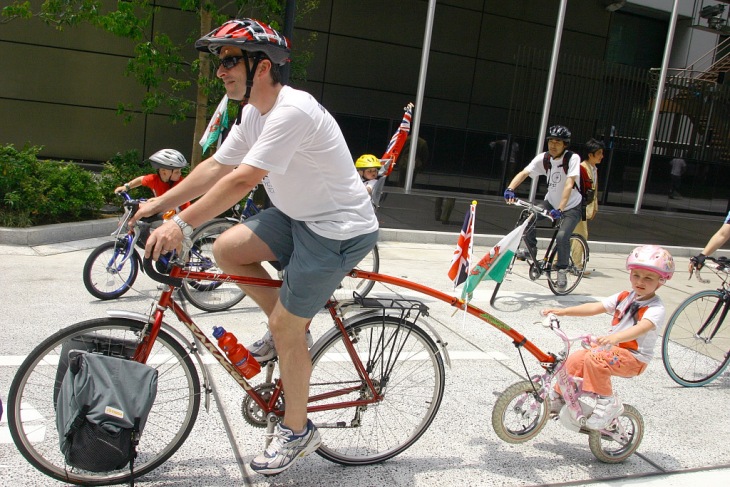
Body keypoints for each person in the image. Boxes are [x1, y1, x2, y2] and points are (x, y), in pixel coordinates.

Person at [130, 18, 379, 476]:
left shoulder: (293, 111)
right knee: (227, 249)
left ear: (261, 67)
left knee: (285, 325)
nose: (220, 71)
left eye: (228, 61)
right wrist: (158, 205)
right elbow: (219, 165)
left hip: (336, 229)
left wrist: (182, 225)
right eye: (219, 62)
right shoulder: (252, 112)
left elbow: (244, 179)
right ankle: (290, 328)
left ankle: (298, 430)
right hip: (295, 216)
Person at [541, 245, 674, 429]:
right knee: (576, 359)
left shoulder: (655, 308)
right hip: (612, 352)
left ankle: (608, 402)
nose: (640, 281)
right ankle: (560, 397)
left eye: (648, 278)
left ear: (662, 280)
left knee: (595, 358)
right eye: (636, 275)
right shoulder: (624, 297)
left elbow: (642, 327)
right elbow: (595, 307)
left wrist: (614, 338)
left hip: (634, 358)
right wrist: (563, 312)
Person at [503, 125, 583, 291]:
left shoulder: (572, 158)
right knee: (527, 218)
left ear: (565, 144)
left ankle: (562, 270)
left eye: (558, 142)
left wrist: (560, 209)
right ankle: (530, 248)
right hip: (551, 203)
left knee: (562, 237)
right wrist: (510, 188)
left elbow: (569, 185)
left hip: (571, 207)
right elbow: (525, 172)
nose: (553, 145)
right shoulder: (544, 158)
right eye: (551, 141)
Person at [114, 149, 191, 211]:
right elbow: (141, 180)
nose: (180, 174)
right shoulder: (154, 180)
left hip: (182, 215)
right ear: (164, 171)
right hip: (166, 213)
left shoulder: (180, 183)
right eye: (177, 172)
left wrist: (157, 200)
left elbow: (174, 197)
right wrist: (126, 187)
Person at [571, 139, 605, 275]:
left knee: (570, 233)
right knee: (581, 234)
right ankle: (576, 266)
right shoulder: (582, 168)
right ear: (590, 155)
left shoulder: (593, 169)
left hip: (584, 207)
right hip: (579, 206)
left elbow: (594, 191)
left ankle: (558, 260)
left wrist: (594, 207)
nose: (602, 156)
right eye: (599, 153)